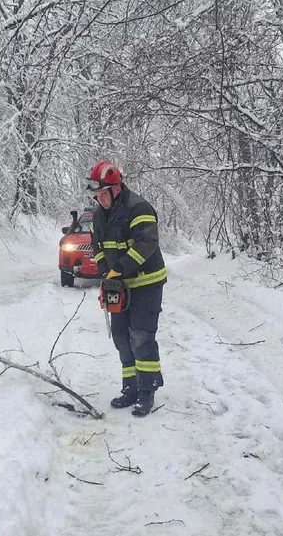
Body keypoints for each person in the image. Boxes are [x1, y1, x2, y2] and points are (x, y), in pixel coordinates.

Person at [87, 161, 167, 417]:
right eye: (96, 196)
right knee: (121, 337)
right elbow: (97, 247)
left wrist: (118, 269)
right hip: (117, 284)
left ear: (116, 189)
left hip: (146, 283)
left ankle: (147, 390)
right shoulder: (98, 215)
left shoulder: (138, 208)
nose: (100, 200)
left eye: (103, 195)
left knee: (141, 337)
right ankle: (130, 388)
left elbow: (147, 243)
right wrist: (105, 275)